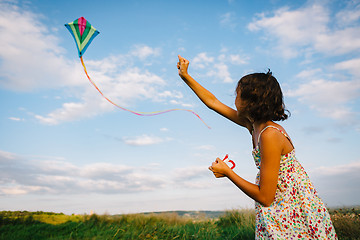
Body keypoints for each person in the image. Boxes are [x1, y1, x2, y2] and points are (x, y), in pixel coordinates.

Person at [177, 55, 337, 239]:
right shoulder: (253, 125)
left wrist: (228, 172)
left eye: (237, 95)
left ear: (251, 102)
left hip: (293, 210)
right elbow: (213, 102)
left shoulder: (269, 134)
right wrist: (186, 76)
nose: (234, 99)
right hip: (281, 207)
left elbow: (265, 197)